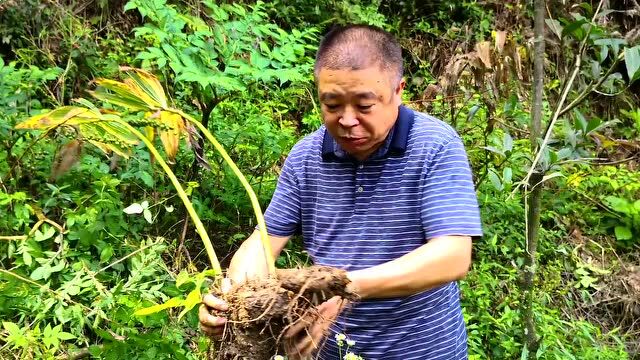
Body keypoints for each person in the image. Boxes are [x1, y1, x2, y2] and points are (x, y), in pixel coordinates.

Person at [199, 24, 483, 360]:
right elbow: (263, 244)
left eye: (364, 106)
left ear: (398, 91)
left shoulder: (435, 146)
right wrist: (235, 300)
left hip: (423, 352)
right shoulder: (306, 157)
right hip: (328, 351)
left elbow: (452, 256)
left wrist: (344, 289)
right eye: (332, 105)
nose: (347, 121)